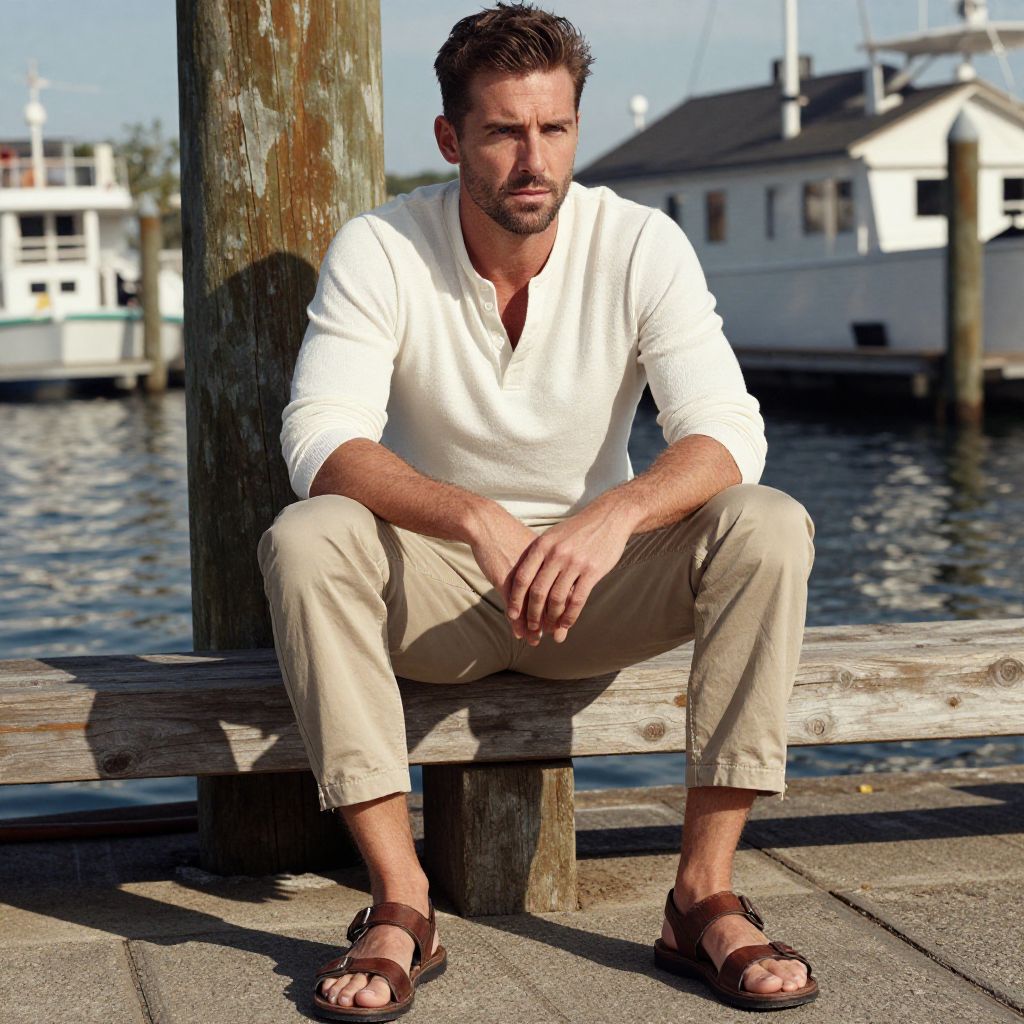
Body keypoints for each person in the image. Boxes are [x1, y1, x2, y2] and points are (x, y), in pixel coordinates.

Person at [257, 3, 818, 1018]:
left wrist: (612, 515)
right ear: (449, 138)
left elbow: (727, 433)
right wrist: (472, 513)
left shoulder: (640, 244)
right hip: (434, 598)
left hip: (589, 593)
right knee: (306, 535)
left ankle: (702, 897)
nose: (533, 159)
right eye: (504, 131)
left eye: (553, 129)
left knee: (767, 519)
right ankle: (400, 900)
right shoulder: (381, 247)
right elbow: (318, 441)